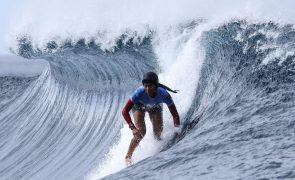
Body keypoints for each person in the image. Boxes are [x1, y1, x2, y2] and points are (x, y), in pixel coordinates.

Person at [122, 72, 180, 165]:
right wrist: (132, 127)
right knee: (140, 132)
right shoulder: (139, 92)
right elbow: (124, 111)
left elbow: (175, 115)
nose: (147, 89)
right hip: (139, 106)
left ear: (156, 86)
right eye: (145, 86)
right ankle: (128, 156)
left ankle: (159, 152)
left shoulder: (164, 94)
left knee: (157, 133)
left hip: (155, 107)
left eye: (150, 86)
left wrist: (177, 131)